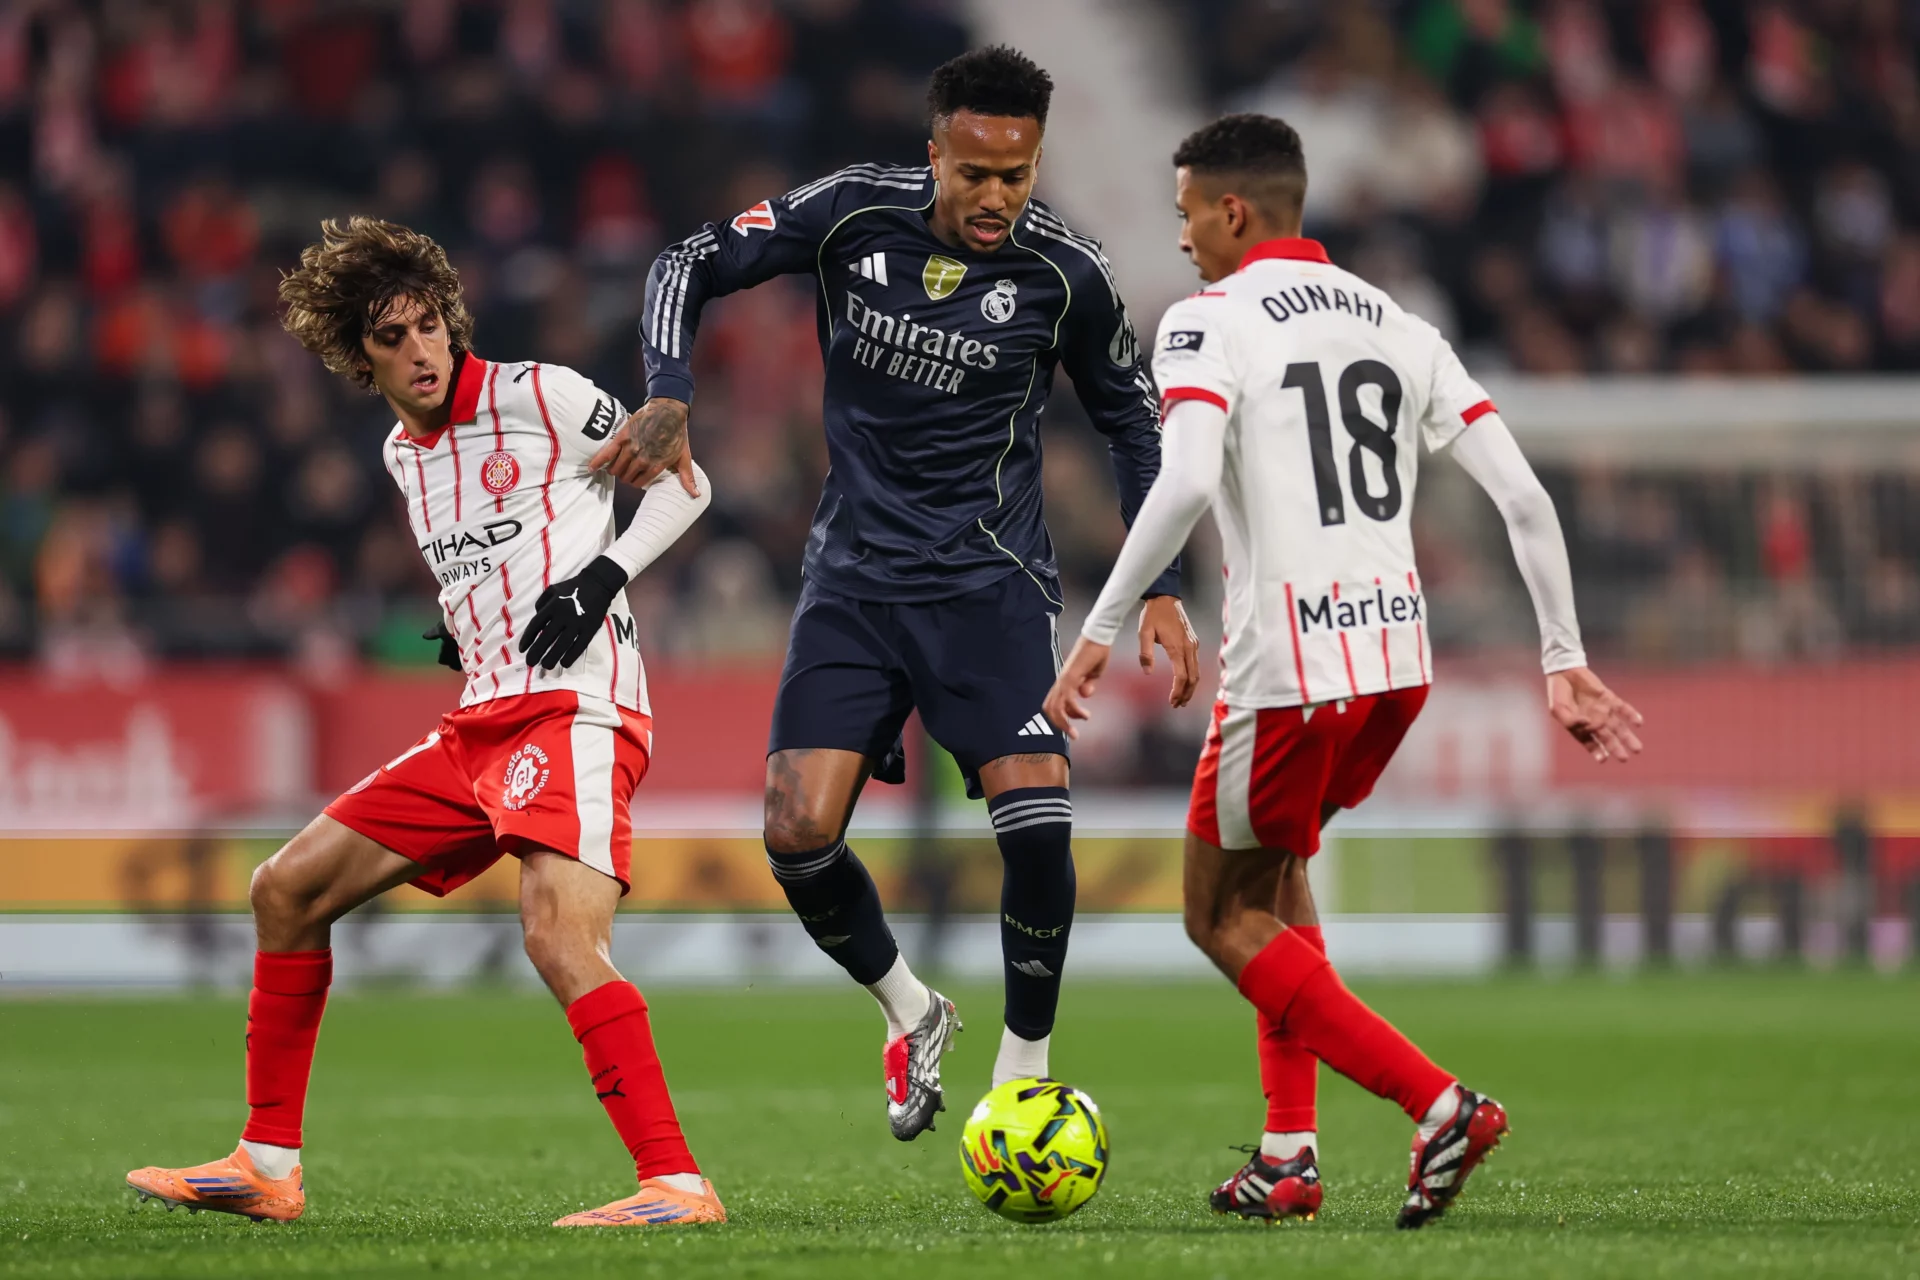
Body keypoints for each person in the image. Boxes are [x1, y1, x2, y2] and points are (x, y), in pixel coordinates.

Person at [1042, 115, 1644, 1229]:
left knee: (1216, 916)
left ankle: (1439, 1101)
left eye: (1184, 215)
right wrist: (1563, 658)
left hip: (1285, 662)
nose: (1180, 238)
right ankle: (1287, 1158)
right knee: (1277, 880)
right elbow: (1524, 496)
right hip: (1395, 662)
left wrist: (1099, 624)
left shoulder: (1207, 320)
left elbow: (1176, 488)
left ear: (1231, 211)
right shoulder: (1400, 322)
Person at [602, 45, 1201, 1140]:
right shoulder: (846, 214)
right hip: (857, 582)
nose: (994, 196)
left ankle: (1024, 1072)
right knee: (793, 832)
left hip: (991, 584)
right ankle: (911, 1009)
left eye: (1015, 175)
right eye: (973, 171)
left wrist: (1158, 578)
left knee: (1036, 824)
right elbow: (686, 260)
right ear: (935, 155)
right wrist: (671, 391)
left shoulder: (1069, 273)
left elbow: (1133, 420)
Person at [125, 217, 726, 1229]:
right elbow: (491, 559)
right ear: (359, 359)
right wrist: (471, 628)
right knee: (287, 888)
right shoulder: (403, 456)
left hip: (578, 703)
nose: (419, 352)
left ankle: (675, 1181)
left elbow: (687, 483)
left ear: (451, 320)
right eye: (391, 339)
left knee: (556, 929)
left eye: (427, 326)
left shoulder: (544, 392)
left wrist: (604, 575)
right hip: (481, 719)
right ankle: (267, 1160)